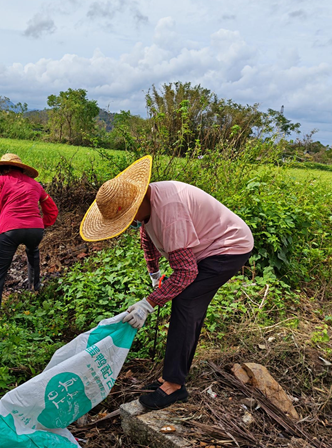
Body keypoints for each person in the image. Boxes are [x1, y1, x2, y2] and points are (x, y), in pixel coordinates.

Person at [79, 155, 254, 410]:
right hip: (206, 247)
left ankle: (174, 385)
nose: (130, 223)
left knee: (186, 301)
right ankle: (172, 376)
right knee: (186, 302)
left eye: (128, 217)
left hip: (229, 247)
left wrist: (148, 304)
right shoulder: (150, 202)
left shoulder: (170, 212)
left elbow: (185, 273)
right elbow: (147, 235)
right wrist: (154, 273)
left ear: (138, 200)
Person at [0, 153, 58, 317]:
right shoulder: (35, 185)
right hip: (35, 230)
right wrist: (40, 224)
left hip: (10, 229)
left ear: (4, 169)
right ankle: (35, 291)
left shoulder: (2, 180)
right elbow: (52, 209)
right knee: (33, 252)